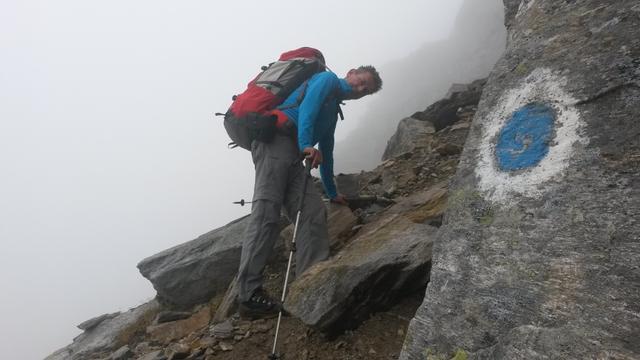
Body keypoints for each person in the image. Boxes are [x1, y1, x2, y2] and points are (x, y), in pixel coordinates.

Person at [236, 65, 382, 319]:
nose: (359, 90)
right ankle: (248, 296)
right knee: (266, 214)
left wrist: (331, 191)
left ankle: (309, 283)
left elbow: (327, 149)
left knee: (313, 211)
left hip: (294, 153)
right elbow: (307, 110)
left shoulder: (333, 112)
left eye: (365, 91)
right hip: (275, 142)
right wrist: (306, 146)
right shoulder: (325, 79)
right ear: (351, 71)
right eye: (361, 81)